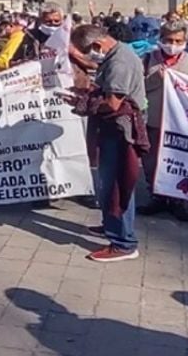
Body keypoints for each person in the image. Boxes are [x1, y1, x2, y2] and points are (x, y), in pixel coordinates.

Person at [65, 23, 149, 262]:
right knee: (108, 181)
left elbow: (113, 103)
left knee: (116, 184)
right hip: (113, 128)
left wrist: (84, 104)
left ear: (97, 44)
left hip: (120, 130)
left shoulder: (119, 63)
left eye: (87, 51)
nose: (88, 57)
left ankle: (124, 242)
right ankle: (113, 225)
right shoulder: (116, 54)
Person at [140, 21, 188, 220]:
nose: (173, 44)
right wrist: (154, 79)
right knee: (151, 162)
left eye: (178, 40)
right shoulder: (147, 59)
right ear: (160, 39)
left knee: (179, 162)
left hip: (181, 125)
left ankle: (178, 200)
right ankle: (157, 197)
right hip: (153, 120)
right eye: (168, 40)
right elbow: (137, 87)